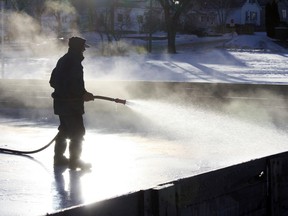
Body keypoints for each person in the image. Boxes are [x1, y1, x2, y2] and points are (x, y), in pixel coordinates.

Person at [49, 36, 94, 170]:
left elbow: (53, 82)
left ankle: (59, 158)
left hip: (61, 103)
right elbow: (74, 84)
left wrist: (79, 93)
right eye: (83, 48)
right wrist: (82, 94)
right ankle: (75, 161)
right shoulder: (74, 61)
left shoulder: (63, 60)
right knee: (78, 132)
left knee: (64, 130)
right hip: (71, 105)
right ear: (78, 48)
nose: (84, 51)